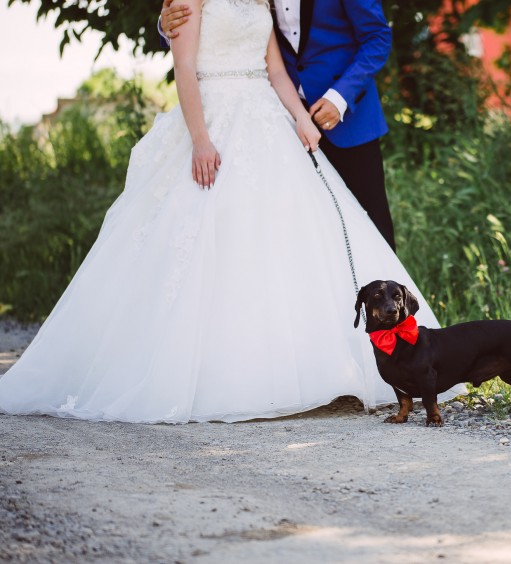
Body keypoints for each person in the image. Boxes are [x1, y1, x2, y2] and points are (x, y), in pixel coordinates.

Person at [0, 0, 459, 423]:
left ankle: (396, 361)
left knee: (322, 237)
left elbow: (293, 62)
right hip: (218, 120)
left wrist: (302, 117)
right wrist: (200, 136)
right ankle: (233, 372)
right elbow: (185, 60)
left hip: (300, 118)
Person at [161, 0, 397, 250]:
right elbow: (200, 27)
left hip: (344, 117)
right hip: (282, 122)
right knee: (299, 230)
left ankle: (387, 289)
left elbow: (377, 37)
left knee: (371, 226)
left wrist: (338, 99)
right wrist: (166, 23)